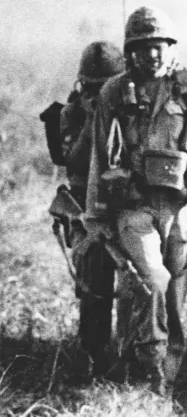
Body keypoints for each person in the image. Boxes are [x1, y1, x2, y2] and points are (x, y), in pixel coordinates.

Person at [85, 7, 187, 396]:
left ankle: (166, 377)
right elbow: (99, 158)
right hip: (134, 209)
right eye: (142, 48)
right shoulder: (113, 93)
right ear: (130, 51)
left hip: (179, 211)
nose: (151, 55)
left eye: (158, 46)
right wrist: (95, 214)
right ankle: (151, 378)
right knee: (153, 280)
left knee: (173, 301)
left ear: (170, 48)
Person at [45, 41, 125, 377]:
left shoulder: (130, 104)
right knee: (95, 273)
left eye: (105, 86)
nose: (98, 92)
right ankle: (97, 355)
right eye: (92, 87)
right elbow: (73, 160)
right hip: (84, 205)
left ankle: (143, 350)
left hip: (127, 199)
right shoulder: (71, 113)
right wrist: (95, 118)